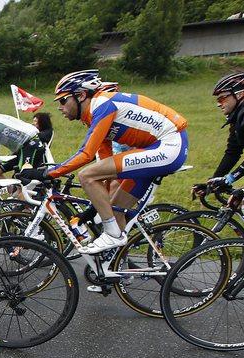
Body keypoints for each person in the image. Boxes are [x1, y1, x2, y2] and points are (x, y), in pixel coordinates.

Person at [19, 69, 188, 255]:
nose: (60, 107)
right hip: (158, 148)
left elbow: (85, 154)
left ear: (81, 95)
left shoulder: (103, 105)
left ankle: (113, 236)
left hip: (169, 145)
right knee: (115, 213)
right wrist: (92, 210)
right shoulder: (93, 114)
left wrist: (46, 173)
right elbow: (105, 164)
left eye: (63, 100)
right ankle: (116, 271)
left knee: (86, 175)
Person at [0, 94, 48, 178]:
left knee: (22, 179)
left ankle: (28, 190)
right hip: (23, 148)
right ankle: (13, 191)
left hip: (30, 145)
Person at [195, 72, 244, 196]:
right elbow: (233, 152)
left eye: (222, 98)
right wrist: (213, 182)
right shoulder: (237, 118)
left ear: (239, 94)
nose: (219, 104)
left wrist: (230, 179)